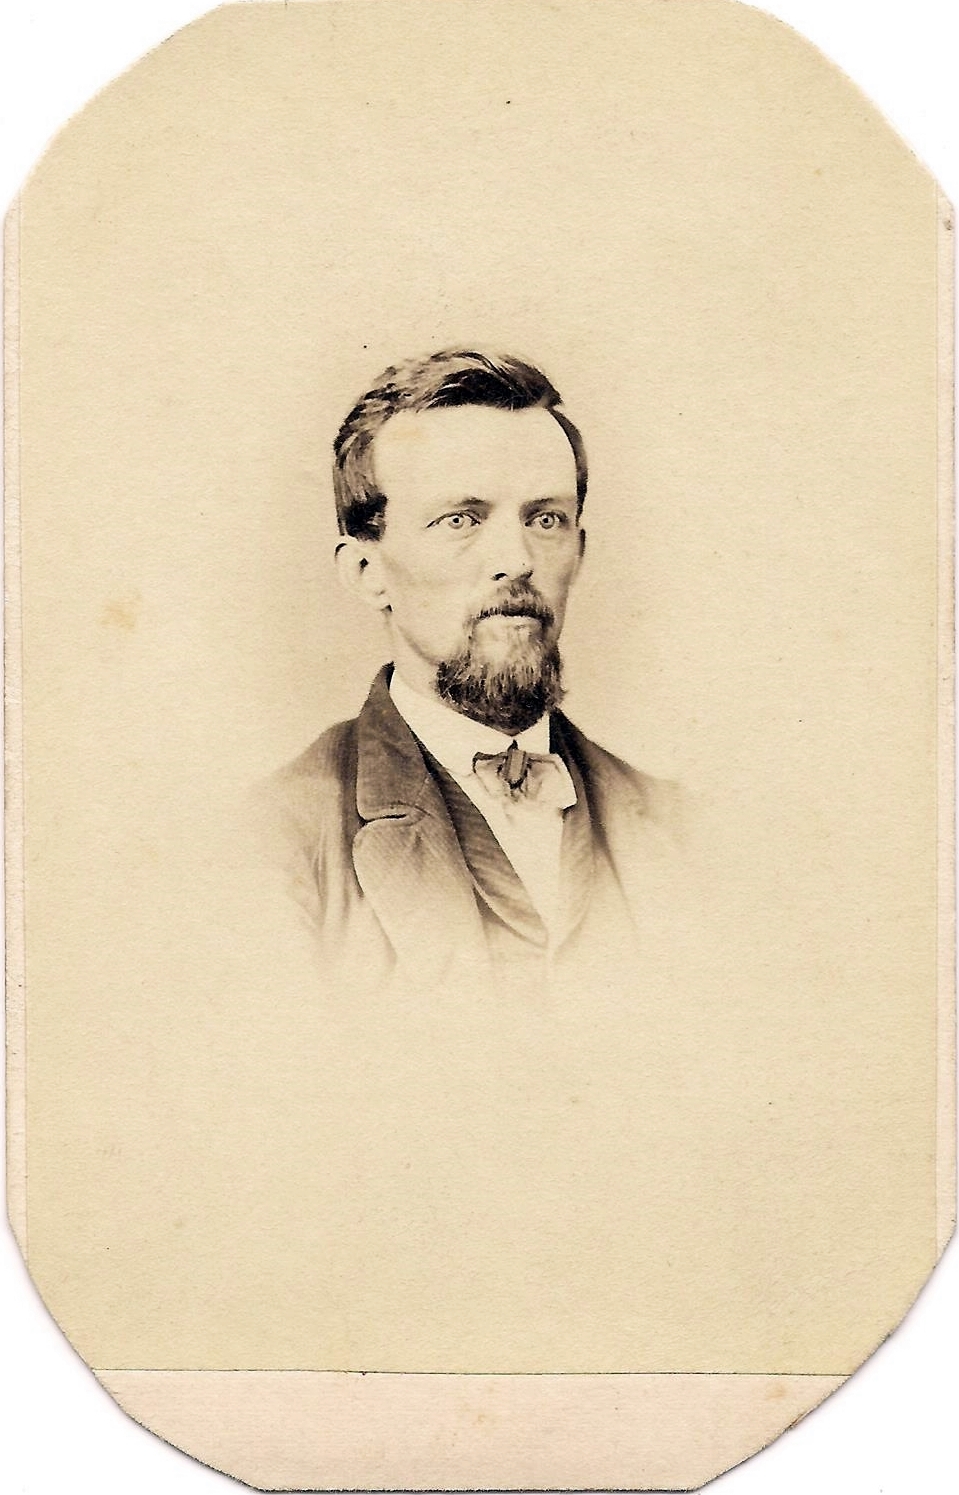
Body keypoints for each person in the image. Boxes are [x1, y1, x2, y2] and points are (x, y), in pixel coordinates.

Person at [256, 349, 680, 992]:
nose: (518, 559)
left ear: (579, 551)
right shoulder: (273, 843)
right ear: (367, 572)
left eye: (545, 520)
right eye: (461, 520)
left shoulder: (681, 829)